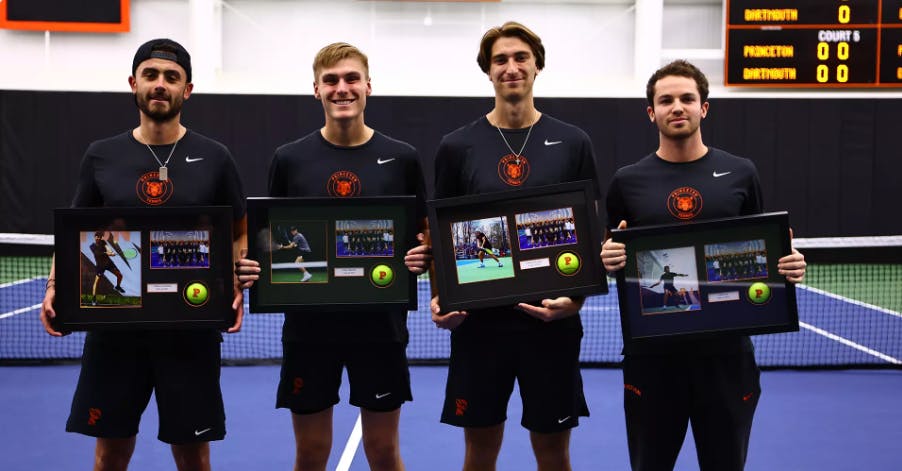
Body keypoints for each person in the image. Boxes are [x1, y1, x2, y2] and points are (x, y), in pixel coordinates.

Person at [39, 38, 247, 471]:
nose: (160, 84)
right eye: (151, 75)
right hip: (116, 328)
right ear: (134, 83)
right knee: (110, 452)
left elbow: (239, 231)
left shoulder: (215, 157)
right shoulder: (101, 155)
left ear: (187, 90)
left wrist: (235, 283)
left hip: (190, 327)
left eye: (171, 77)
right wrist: (55, 286)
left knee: (193, 454)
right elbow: (74, 230)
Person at [600, 60, 807, 471]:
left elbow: (761, 252)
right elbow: (618, 252)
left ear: (704, 108)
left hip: (726, 359)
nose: (677, 107)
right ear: (651, 112)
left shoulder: (741, 172)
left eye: (687, 98)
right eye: (666, 100)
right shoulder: (627, 181)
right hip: (652, 360)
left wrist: (788, 266)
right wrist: (609, 260)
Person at [235, 42, 429, 471]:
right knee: (309, 453)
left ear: (368, 87)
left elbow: (422, 233)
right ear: (317, 91)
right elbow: (270, 236)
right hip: (309, 328)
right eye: (331, 81)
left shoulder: (402, 157)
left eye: (351, 78)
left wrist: (423, 254)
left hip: (381, 326)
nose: (342, 88)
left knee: (382, 451)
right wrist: (255, 264)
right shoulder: (289, 158)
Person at [429, 22, 599, 471]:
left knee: (554, 455)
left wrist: (575, 299)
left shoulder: (573, 142)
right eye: (500, 59)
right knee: (479, 454)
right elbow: (442, 233)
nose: (511, 67)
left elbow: (587, 228)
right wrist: (440, 296)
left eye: (520, 57)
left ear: (537, 65)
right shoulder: (456, 147)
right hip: (480, 328)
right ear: (488, 71)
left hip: (551, 328)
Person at [89, 230, 126, 305]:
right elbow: (98, 253)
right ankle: (93, 299)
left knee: (120, 275)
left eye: (99, 237)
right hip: (100, 265)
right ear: (95, 237)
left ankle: (117, 287)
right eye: (97, 237)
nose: (98, 238)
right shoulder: (92, 246)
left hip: (108, 263)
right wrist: (108, 253)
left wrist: (111, 252)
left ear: (101, 237)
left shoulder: (103, 242)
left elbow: (107, 248)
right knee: (96, 282)